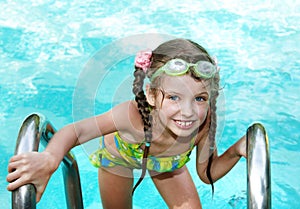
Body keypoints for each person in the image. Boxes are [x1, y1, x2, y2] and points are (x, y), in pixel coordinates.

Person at [7, 38, 246, 209]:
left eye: (199, 98)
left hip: (169, 166)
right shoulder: (132, 117)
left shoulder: (202, 124)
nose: (188, 111)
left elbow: (207, 174)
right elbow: (77, 130)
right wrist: (50, 158)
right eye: (174, 97)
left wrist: (237, 150)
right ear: (152, 95)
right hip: (119, 160)